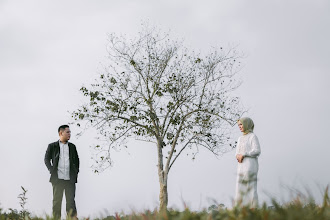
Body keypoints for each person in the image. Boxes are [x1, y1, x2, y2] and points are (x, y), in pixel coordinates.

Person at [44, 125, 80, 219]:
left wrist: (76, 172)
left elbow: (77, 161)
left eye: (70, 132)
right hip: (57, 179)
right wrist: (51, 170)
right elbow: (46, 159)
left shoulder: (72, 147)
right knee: (57, 202)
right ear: (61, 133)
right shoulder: (52, 146)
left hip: (70, 179)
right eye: (67, 132)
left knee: (71, 202)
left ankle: (72, 218)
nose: (69, 134)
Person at [235, 117, 261, 208]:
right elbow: (237, 152)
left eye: (241, 124)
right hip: (241, 165)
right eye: (238, 125)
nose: (240, 126)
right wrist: (238, 156)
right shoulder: (240, 138)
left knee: (250, 187)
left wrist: (245, 154)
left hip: (250, 165)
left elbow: (257, 151)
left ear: (246, 124)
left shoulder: (252, 136)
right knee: (239, 187)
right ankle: (240, 209)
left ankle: (254, 209)